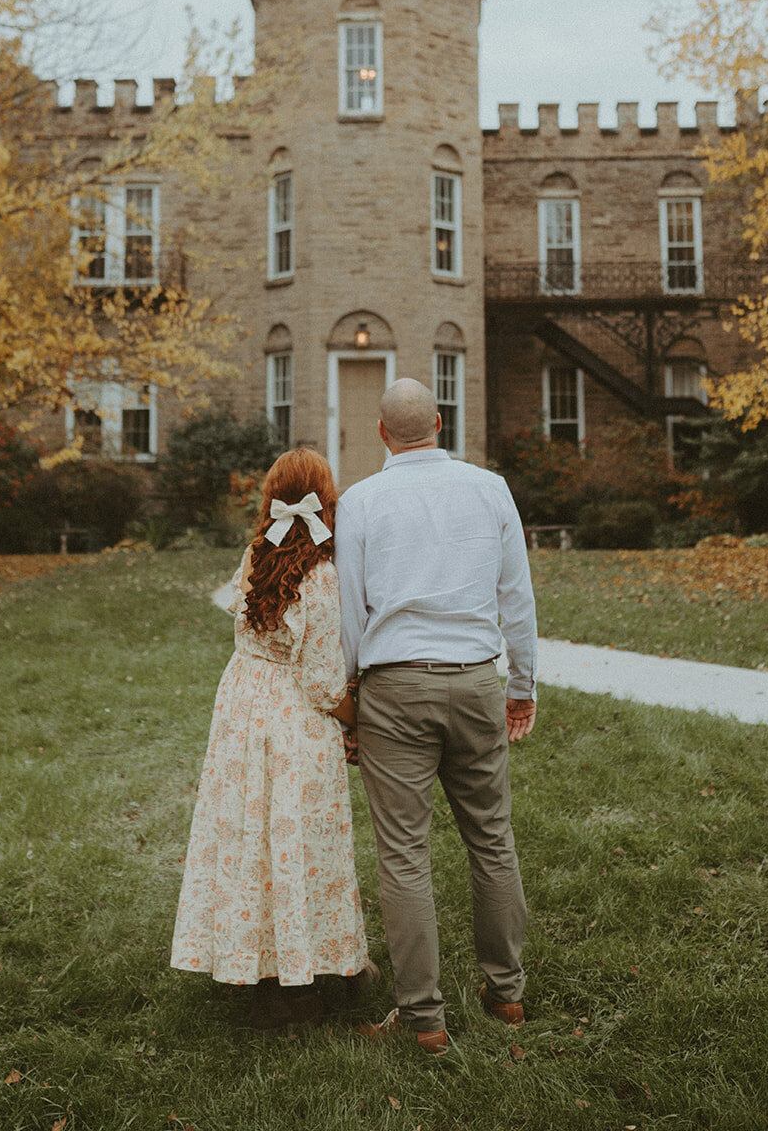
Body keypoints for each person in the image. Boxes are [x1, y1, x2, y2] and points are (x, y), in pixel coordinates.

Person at [334, 378, 537, 1056]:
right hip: (478, 681)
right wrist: (523, 683)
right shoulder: (489, 489)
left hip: (395, 687)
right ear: (440, 424)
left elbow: (350, 615)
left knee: (403, 856)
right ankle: (505, 993)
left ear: (382, 433)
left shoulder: (360, 501)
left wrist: (349, 698)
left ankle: (424, 1020)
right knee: (491, 839)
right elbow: (517, 594)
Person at [170, 446, 373, 1030]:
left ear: (270, 500)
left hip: (241, 710)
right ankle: (293, 985)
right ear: (325, 500)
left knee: (249, 837)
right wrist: (359, 720)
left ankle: (254, 960)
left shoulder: (257, 553)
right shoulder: (323, 575)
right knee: (298, 837)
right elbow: (319, 678)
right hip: (291, 720)